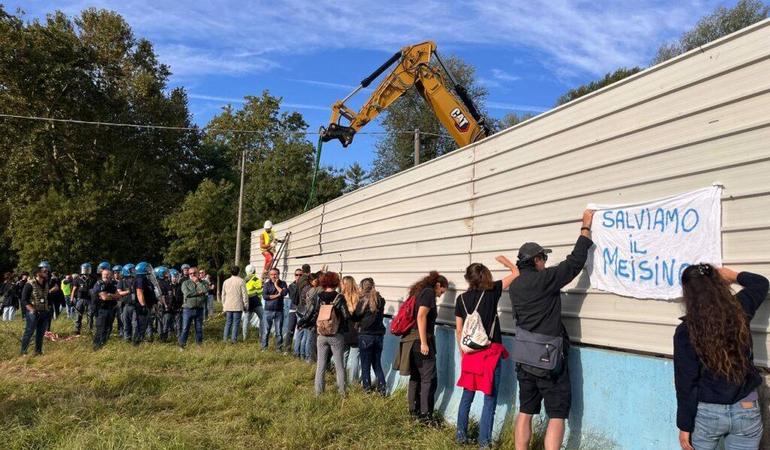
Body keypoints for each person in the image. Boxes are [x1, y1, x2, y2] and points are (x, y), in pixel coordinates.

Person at [511, 209, 594, 450]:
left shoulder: (515, 287)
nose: (545, 262)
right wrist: (585, 228)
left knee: (525, 410)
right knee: (557, 414)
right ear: (536, 260)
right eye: (543, 258)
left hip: (524, 359)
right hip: (549, 359)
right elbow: (574, 262)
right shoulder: (544, 279)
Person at [675, 265, 768, 450]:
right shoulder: (740, 308)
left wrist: (684, 425)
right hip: (746, 407)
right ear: (718, 284)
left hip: (708, 412)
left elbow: (686, 382)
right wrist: (733, 275)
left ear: (688, 293)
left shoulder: (686, 331)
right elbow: (760, 284)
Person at [455, 260, 519, 448]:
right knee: (489, 399)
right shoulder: (492, 292)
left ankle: (461, 437)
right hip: (490, 353)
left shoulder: (460, 300)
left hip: (469, 354)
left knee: (467, 396)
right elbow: (516, 273)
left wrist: (463, 353)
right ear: (485, 276)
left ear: (468, 278)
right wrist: (505, 261)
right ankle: (484, 443)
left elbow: (459, 331)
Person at [394, 271, 449, 423]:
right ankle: (426, 416)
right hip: (420, 342)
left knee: (416, 377)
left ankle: (413, 412)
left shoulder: (419, 292)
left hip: (411, 341)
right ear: (438, 285)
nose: (440, 296)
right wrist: (424, 342)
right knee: (429, 379)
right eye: (442, 292)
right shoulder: (428, 293)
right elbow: (421, 316)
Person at [300, 271, 351, 396]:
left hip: (321, 335)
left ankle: (318, 393)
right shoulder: (339, 297)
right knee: (339, 365)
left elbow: (310, 313)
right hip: (335, 335)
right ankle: (342, 393)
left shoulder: (319, 296)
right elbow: (346, 316)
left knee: (320, 365)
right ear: (335, 282)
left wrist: (301, 322)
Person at [352, 277, 387, 394]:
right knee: (377, 364)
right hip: (379, 335)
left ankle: (366, 389)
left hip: (366, 335)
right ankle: (382, 389)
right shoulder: (381, 300)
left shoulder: (362, 301)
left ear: (362, 287)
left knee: (365, 364)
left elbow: (356, 316)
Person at [20, 263, 52, 356]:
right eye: (44, 271)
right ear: (38, 273)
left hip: (44, 312)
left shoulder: (46, 284)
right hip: (33, 313)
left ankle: (38, 351)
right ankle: (23, 352)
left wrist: (49, 308)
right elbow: (24, 299)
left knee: (40, 333)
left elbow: (48, 297)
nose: (47, 273)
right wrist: (32, 310)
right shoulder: (29, 284)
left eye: (47, 271)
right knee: (29, 332)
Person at [92, 268, 122, 350]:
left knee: (108, 328)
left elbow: (118, 296)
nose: (106, 276)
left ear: (111, 276)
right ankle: (96, 347)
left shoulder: (111, 285)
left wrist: (110, 295)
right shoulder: (99, 284)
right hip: (101, 310)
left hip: (110, 309)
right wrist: (112, 296)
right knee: (101, 329)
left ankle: (104, 345)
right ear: (102, 275)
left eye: (108, 274)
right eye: (105, 274)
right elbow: (104, 297)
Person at [179, 266, 208, 349]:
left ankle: (199, 345)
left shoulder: (203, 282)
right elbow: (187, 293)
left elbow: (205, 291)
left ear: (198, 273)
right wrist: (199, 293)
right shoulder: (185, 283)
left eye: (194, 273)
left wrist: (198, 283)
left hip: (199, 309)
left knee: (199, 328)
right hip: (188, 309)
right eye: (190, 273)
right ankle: (182, 345)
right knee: (185, 328)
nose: (192, 275)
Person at [262, 268, 288, 352]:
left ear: (278, 274)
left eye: (275, 274)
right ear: (269, 275)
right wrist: (277, 295)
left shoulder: (283, 283)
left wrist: (276, 285)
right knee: (266, 331)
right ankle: (264, 348)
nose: (274, 276)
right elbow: (265, 297)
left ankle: (278, 349)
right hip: (268, 310)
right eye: (272, 274)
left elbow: (284, 293)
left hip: (279, 311)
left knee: (278, 332)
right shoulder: (267, 284)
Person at [132, 262, 158, 346]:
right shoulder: (140, 279)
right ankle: (137, 342)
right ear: (142, 269)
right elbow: (139, 292)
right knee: (141, 324)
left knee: (145, 324)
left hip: (147, 305)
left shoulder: (146, 278)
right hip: (141, 306)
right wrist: (143, 305)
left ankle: (140, 340)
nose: (149, 269)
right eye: (147, 268)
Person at [341, 275, 361, 383]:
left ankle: (341, 380)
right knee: (354, 358)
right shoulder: (359, 298)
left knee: (343, 356)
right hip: (356, 330)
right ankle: (353, 382)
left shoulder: (341, 298)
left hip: (344, 330)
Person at [222, 266, 248, 344]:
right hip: (237, 305)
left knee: (228, 322)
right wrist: (246, 304)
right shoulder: (241, 281)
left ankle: (225, 339)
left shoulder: (226, 281)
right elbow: (244, 294)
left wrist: (224, 305)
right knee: (236, 323)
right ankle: (234, 339)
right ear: (239, 272)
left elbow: (223, 294)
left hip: (228, 305)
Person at [72, 263, 95, 336]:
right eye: (85, 269)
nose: (86, 271)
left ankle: (89, 330)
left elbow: (95, 290)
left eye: (87, 269)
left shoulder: (93, 279)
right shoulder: (77, 279)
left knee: (90, 315)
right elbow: (74, 289)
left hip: (90, 299)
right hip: (80, 299)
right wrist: (71, 299)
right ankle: (77, 330)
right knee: (78, 315)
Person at [285, 268, 304, 356]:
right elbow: (294, 298)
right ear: (294, 275)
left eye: (300, 275)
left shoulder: (305, 286)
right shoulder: (292, 285)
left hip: (303, 311)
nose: (298, 277)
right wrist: (297, 286)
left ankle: (299, 351)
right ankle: (287, 349)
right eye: (297, 275)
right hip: (293, 309)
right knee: (290, 330)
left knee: (301, 330)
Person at [243, 264, 264, 341]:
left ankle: (245, 337)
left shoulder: (244, 279)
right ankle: (261, 336)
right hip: (256, 301)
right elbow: (259, 291)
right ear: (253, 270)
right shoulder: (256, 279)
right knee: (262, 318)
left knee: (246, 320)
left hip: (247, 302)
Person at [118, 266, 135, 341]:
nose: (134, 271)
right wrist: (128, 291)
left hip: (135, 305)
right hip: (126, 305)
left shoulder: (136, 280)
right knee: (126, 322)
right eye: (132, 270)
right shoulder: (122, 281)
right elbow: (119, 292)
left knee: (135, 323)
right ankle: (127, 338)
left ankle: (135, 337)